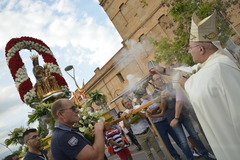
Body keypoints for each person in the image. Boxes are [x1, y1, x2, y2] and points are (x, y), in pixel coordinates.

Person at [178, 11, 240, 160]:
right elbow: (196, 72)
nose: (189, 51)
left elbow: (201, 92)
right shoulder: (212, 63)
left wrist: (186, 84)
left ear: (201, 49)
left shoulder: (220, 67)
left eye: (191, 47)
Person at [121, 96, 166, 160]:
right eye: (125, 103)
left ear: (131, 101)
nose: (127, 103)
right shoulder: (125, 114)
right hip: (139, 136)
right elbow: (127, 126)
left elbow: (145, 116)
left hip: (147, 131)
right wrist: (123, 118)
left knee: (157, 149)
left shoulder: (138, 107)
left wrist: (136, 111)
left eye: (128, 101)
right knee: (148, 153)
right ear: (124, 106)